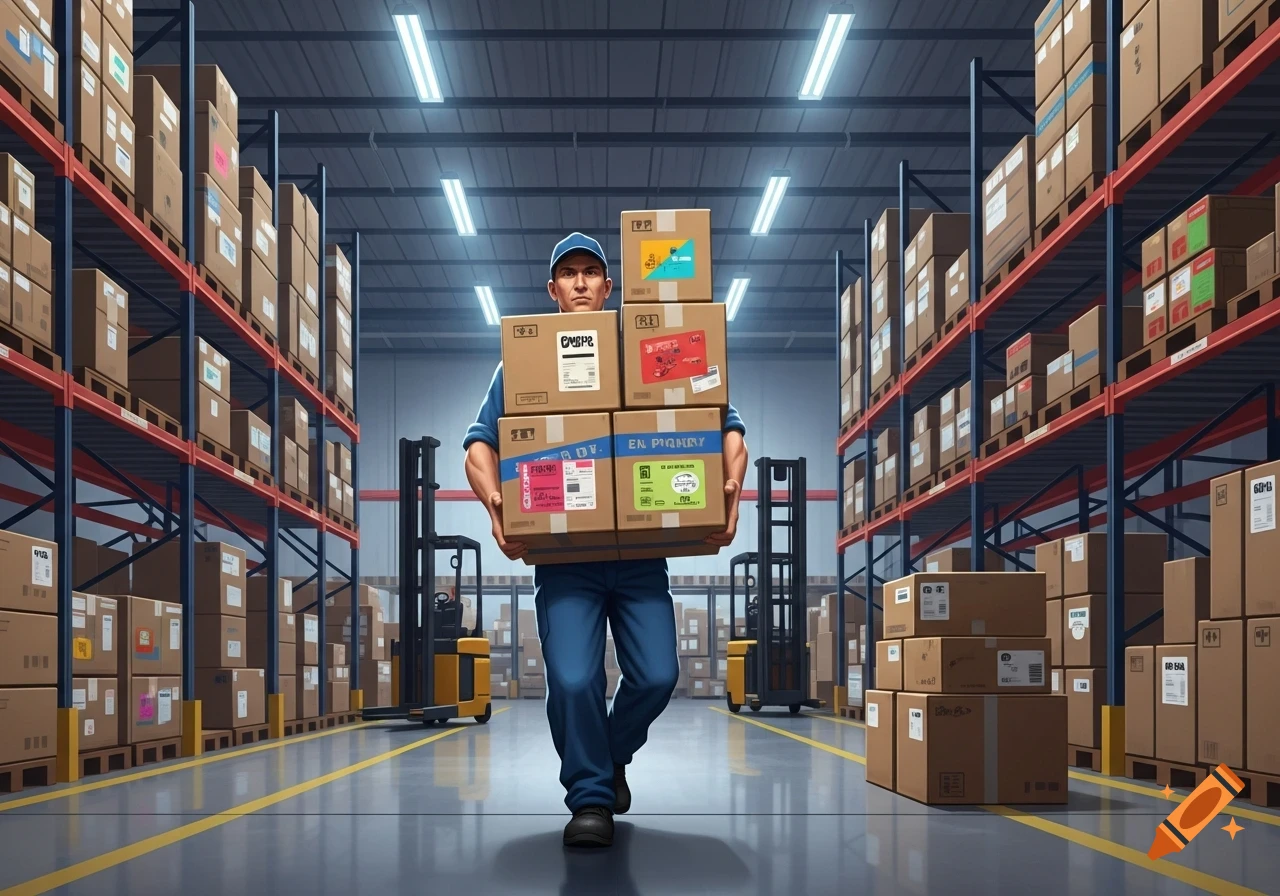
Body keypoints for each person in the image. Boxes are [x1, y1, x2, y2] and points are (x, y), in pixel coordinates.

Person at [463, 233, 748, 848]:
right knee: (572, 681)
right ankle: (590, 799)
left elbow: (724, 423)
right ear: (553, 291)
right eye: (570, 275)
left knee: (657, 676)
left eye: (593, 272)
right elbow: (479, 444)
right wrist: (495, 507)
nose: (583, 283)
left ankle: (610, 758)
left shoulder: (644, 353)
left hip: (641, 557)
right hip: (567, 562)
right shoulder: (523, 359)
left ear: (610, 287)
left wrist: (729, 490)